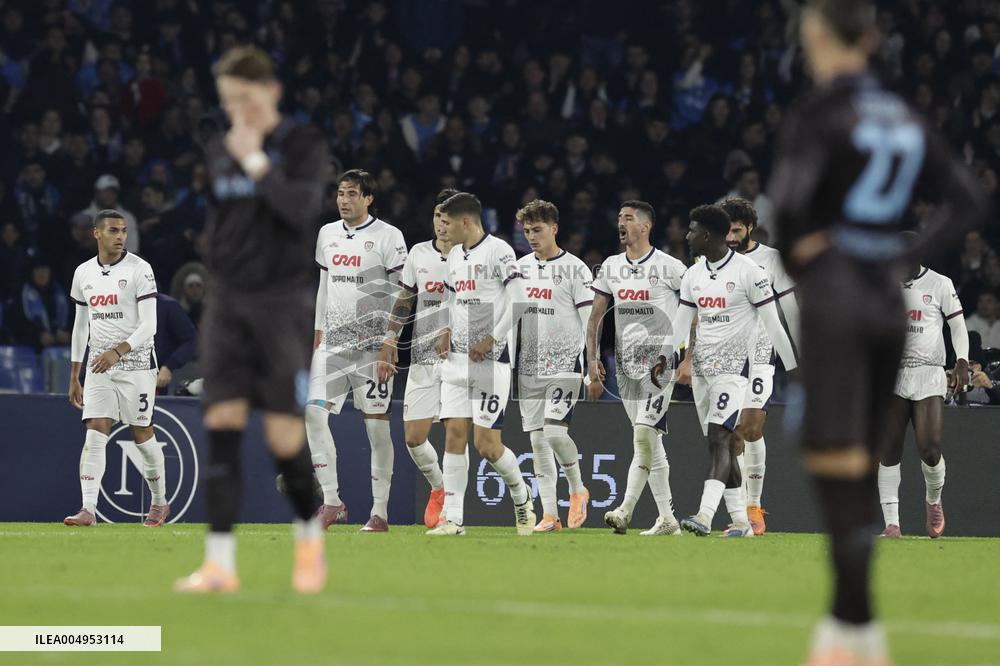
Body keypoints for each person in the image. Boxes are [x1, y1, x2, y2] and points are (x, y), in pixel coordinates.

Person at [767, 1, 989, 661]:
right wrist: (898, 254)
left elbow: (787, 212)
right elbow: (971, 198)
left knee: (836, 457)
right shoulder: (902, 115)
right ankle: (854, 626)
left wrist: (816, 257)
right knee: (863, 451)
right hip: (888, 304)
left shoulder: (821, 113)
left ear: (818, 39)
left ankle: (852, 626)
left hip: (837, 296)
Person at [175, 46, 330, 595]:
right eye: (228, 101)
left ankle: (310, 538)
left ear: (272, 93)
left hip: (283, 305)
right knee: (221, 425)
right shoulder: (219, 149)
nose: (238, 109)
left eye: (245, 98)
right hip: (229, 304)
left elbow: (299, 211)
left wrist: (257, 162)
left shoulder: (302, 146)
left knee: (284, 438)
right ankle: (219, 564)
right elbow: (222, 217)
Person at [662, 204, 797, 538]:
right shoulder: (693, 274)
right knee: (715, 444)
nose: (687, 235)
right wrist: (665, 356)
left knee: (722, 437)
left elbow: (774, 324)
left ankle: (705, 515)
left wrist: (794, 368)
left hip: (736, 369)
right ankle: (740, 521)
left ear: (708, 235)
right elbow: (682, 322)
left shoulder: (749, 272)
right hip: (704, 370)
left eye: (692, 230)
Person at [427, 192, 535, 536]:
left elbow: (519, 302)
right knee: (453, 436)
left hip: (491, 362)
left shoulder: (499, 251)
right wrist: (444, 329)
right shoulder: (455, 254)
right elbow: (450, 297)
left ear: (466, 222)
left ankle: (521, 496)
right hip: (457, 361)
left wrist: (491, 340)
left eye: (448, 223)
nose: (444, 231)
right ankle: (453, 519)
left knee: (487, 445)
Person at [306, 169, 407, 533]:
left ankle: (379, 512)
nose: (344, 200)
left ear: (368, 198)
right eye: (340, 193)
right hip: (332, 343)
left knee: (377, 430)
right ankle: (332, 501)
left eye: (351, 194)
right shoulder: (327, 234)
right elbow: (324, 284)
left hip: (372, 349)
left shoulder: (389, 237)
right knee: (313, 415)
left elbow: (402, 293)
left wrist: (390, 340)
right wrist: (318, 331)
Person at [588, 200, 686, 536]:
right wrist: (593, 358)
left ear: (645, 226)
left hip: (660, 366)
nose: (621, 223)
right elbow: (595, 316)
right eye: (618, 217)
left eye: (628, 218)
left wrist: (684, 355)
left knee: (644, 434)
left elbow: (694, 307)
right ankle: (667, 519)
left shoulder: (670, 267)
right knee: (648, 443)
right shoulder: (611, 267)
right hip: (625, 368)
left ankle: (625, 509)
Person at [64, 209, 166, 528]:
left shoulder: (140, 269)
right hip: (98, 364)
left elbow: (150, 325)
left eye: (123, 230)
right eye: (113, 230)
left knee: (142, 433)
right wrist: (74, 374)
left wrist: (117, 351)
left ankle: (160, 502)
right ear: (97, 233)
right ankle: (88, 509)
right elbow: (81, 326)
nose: (120, 236)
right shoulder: (83, 273)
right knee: (96, 427)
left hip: (136, 363)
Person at [878, 232, 969, 539]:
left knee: (930, 449)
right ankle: (892, 523)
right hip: (892, 373)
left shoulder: (939, 283)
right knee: (889, 448)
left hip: (929, 373)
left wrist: (962, 360)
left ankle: (933, 499)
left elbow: (957, 324)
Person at [377, 188, 457, 529]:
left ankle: (460, 507)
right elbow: (406, 298)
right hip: (424, 358)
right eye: (438, 216)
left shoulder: (475, 257)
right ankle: (439, 488)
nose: (442, 223)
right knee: (413, 437)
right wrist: (390, 338)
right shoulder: (419, 253)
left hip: (462, 361)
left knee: (463, 436)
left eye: (449, 218)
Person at [720, 196, 800, 535]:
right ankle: (741, 508)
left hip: (761, 352)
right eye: (726, 230)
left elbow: (791, 308)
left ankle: (754, 504)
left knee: (752, 428)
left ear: (750, 227)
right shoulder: (714, 258)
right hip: (723, 353)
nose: (731, 236)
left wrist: (798, 355)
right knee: (731, 434)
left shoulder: (772, 260)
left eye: (737, 229)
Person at [512, 199, 592, 532]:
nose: (532, 236)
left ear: (554, 228)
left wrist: (591, 364)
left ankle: (577, 488)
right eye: (527, 230)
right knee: (536, 442)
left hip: (565, 364)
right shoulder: (519, 268)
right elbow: (511, 319)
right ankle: (550, 514)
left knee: (555, 433)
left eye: (538, 229)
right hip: (529, 368)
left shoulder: (576, 269)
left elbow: (590, 320)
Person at [153, 292, 197, 394]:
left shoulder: (167, 305)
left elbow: (192, 340)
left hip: (156, 381)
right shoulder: (116, 306)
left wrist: (169, 366)